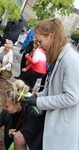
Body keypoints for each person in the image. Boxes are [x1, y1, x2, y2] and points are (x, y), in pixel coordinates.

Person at [20, 18, 79, 150]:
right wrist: (33, 97)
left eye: (40, 42)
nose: (39, 46)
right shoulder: (59, 57)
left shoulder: (71, 60)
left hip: (62, 123)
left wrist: (38, 102)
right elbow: (53, 90)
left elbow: (71, 97)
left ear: (51, 36)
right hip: (51, 119)